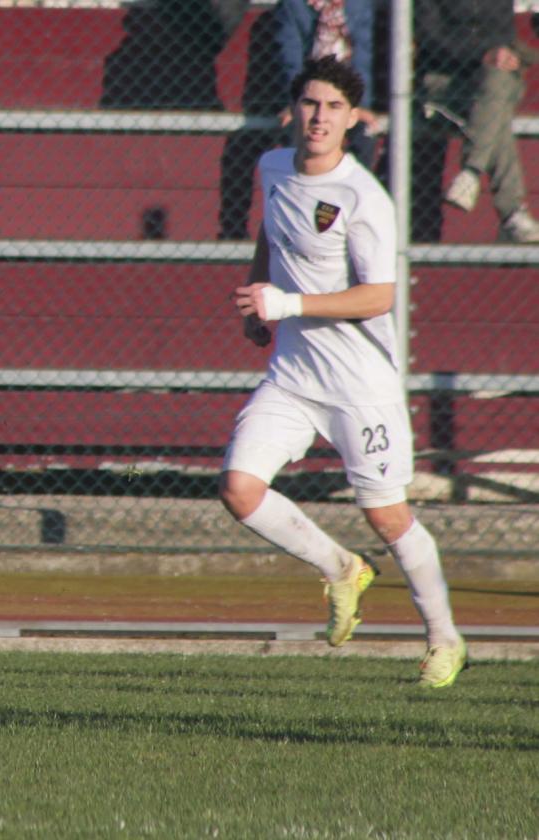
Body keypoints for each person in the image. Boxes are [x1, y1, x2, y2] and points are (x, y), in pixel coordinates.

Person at [220, 56, 467, 688]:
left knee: (387, 517)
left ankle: (445, 639)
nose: (319, 117)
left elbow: (378, 296)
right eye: (310, 103)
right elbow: (271, 233)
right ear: (292, 110)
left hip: (360, 386)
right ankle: (340, 568)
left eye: (333, 107)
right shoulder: (273, 166)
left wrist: (287, 304)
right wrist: (257, 297)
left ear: (353, 119)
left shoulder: (363, 197)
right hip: (292, 377)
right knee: (239, 490)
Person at [416, 0, 539, 242]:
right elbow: (431, 39)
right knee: (495, 110)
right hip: (445, 83)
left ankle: (471, 173)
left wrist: (503, 55)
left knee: (496, 84)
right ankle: (512, 213)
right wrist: (483, 53)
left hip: (490, 81)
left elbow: (503, 36)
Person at [274, 0, 380, 167]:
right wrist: (295, 101)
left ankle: (350, 181)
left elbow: (362, 58)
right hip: (308, 91)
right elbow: (290, 60)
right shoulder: (294, 5)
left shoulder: (358, 5)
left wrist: (360, 105)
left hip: (345, 92)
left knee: (365, 132)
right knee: (298, 130)